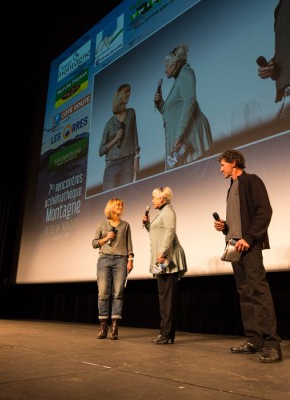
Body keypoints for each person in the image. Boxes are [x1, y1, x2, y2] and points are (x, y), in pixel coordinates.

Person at [213, 149, 282, 363]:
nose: (221, 168)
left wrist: (250, 238)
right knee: (245, 293)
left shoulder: (252, 181)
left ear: (234, 163)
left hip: (248, 246)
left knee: (259, 292)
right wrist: (225, 227)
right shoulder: (231, 187)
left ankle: (272, 345)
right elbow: (238, 220)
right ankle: (254, 340)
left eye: (223, 164)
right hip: (234, 247)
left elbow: (264, 212)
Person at [154, 44, 212, 170]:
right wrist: (160, 104)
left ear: (174, 65)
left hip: (191, 136)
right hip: (182, 138)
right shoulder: (179, 79)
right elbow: (172, 113)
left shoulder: (186, 73)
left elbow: (189, 103)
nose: (165, 70)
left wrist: (178, 136)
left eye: (166, 66)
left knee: (197, 177)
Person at [142, 187, 187, 344]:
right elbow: (156, 233)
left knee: (167, 298)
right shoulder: (161, 212)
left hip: (167, 258)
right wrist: (148, 225)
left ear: (162, 199)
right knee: (164, 298)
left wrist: (162, 252)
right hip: (161, 259)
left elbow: (170, 231)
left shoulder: (168, 210)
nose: (152, 200)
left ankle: (166, 334)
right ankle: (166, 334)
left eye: (154, 197)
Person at [92, 198, 135, 340]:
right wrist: (105, 238)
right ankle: (103, 327)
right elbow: (94, 243)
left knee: (118, 293)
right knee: (103, 293)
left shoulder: (125, 225)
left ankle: (115, 328)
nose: (120, 207)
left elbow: (129, 245)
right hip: (104, 259)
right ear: (110, 207)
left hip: (120, 260)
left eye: (122, 205)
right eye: (118, 205)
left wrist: (130, 260)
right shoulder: (102, 224)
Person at [99, 84, 140, 191]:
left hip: (128, 162)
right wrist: (115, 139)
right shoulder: (109, 124)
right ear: (119, 96)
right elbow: (101, 151)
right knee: (109, 201)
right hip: (111, 165)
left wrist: (137, 159)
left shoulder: (131, 113)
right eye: (125, 92)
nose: (128, 94)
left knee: (125, 198)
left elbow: (135, 137)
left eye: (129, 92)